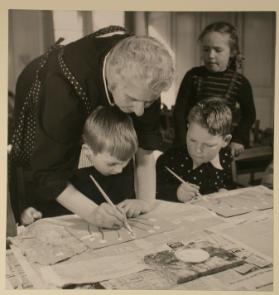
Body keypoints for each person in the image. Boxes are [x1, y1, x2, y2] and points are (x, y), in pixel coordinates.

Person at [10, 26, 174, 226]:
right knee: (53, 193)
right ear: (112, 80)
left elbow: (145, 148)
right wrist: (92, 212)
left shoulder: (144, 81)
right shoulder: (61, 92)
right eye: (132, 99)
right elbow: (46, 172)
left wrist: (145, 202)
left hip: (90, 89)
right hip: (41, 91)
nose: (140, 112)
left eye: (147, 103)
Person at [21, 106, 139, 228]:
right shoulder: (64, 167)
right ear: (88, 151)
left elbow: (126, 198)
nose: (119, 170)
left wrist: (137, 204)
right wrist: (33, 213)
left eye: (125, 162)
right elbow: (49, 199)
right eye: (112, 164)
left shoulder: (119, 164)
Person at [173, 21, 256, 157]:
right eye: (206, 49)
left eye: (217, 50)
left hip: (220, 147)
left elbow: (249, 115)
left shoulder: (240, 82)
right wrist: (184, 143)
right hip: (190, 143)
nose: (211, 55)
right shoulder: (193, 76)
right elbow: (179, 112)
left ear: (232, 52)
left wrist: (238, 139)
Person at [156, 97, 236, 203]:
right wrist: (176, 193)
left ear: (225, 141)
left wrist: (226, 191)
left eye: (208, 145)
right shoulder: (170, 158)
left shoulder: (225, 157)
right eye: (192, 140)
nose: (197, 150)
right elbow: (154, 191)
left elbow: (228, 183)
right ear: (188, 128)